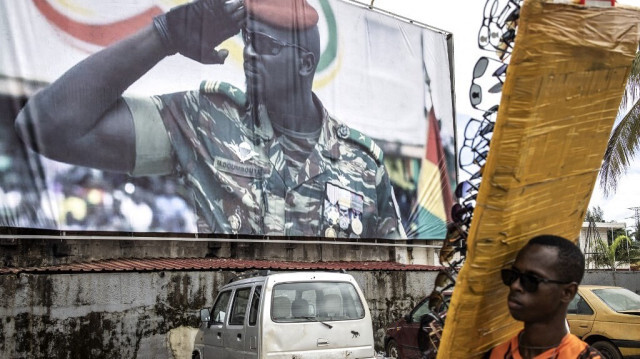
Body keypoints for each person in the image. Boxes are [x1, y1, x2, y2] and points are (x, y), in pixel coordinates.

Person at [15, 0, 405, 238]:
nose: (250, 54)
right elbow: (47, 126)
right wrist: (164, 36)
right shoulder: (207, 120)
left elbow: (391, 274)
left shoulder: (362, 163)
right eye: (248, 41)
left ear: (305, 63)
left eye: (266, 45)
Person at [485, 235, 601, 359]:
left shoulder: (584, 356)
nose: (515, 285)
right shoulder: (496, 354)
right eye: (512, 275)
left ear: (567, 292)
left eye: (531, 279)